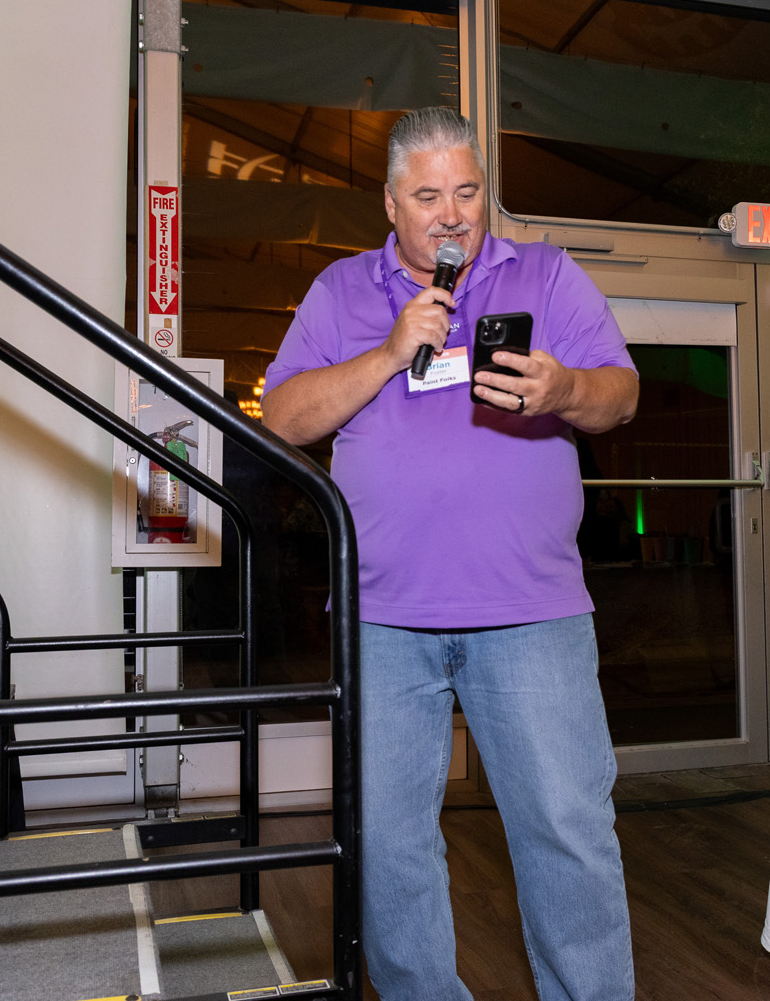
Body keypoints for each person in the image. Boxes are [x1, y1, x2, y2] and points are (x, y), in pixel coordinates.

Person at [262, 107, 639, 1001]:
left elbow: (620, 396)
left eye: (467, 192)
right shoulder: (340, 290)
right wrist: (390, 352)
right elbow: (282, 418)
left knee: (566, 829)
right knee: (390, 840)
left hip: (532, 611)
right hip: (382, 618)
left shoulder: (545, 274)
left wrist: (564, 387)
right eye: (428, 196)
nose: (452, 215)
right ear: (391, 204)